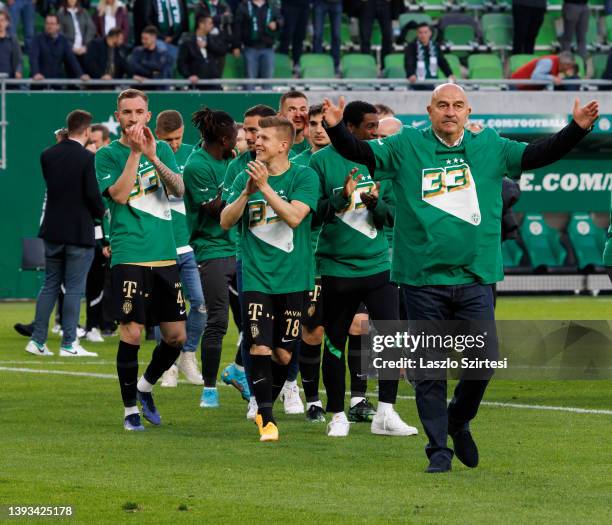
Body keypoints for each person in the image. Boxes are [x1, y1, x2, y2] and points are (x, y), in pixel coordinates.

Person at [321, 86, 599, 471]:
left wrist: (577, 128)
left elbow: (537, 154)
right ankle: (438, 449)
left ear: (468, 111)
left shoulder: (490, 145)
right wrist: (336, 129)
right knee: (429, 367)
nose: (449, 112)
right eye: (442, 105)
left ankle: (458, 420)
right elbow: (363, 153)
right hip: (422, 277)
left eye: (456, 106)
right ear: (429, 110)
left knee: (483, 362)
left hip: (475, 275)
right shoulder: (406, 146)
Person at [309, 100, 416, 437]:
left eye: (378, 125)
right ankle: (338, 414)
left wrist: (378, 205)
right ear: (350, 128)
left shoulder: (383, 160)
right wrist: (341, 198)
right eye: (370, 127)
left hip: (378, 264)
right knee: (336, 341)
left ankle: (386, 412)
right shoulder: (320, 162)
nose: (375, 132)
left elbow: (397, 217)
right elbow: (310, 215)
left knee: (391, 335)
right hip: (337, 266)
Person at [220, 116, 319, 442]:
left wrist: (264, 188)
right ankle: (266, 414)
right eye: (254, 136)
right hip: (257, 278)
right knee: (259, 345)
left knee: (284, 354)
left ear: (283, 145)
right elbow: (224, 221)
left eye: (263, 137)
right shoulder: (244, 175)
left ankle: (266, 402)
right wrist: (247, 193)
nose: (255, 141)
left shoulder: (304, 176)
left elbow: (293, 217)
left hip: (294, 279)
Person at [95, 88, 188, 431]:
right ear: (117, 116)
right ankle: (129, 409)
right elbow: (119, 195)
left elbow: (179, 189)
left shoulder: (162, 148)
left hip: (165, 256)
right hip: (129, 253)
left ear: (148, 115)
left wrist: (152, 155)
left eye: (139, 112)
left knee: (177, 336)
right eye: (126, 112)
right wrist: (135, 154)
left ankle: (145, 386)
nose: (133, 117)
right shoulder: (105, 155)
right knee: (132, 333)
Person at [26, 109, 105, 357]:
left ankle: (37, 341)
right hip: (78, 232)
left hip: (52, 231)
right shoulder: (86, 158)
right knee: (74, 288)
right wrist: (102, 213)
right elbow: (92, 195)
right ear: (87, 131)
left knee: (50, 285)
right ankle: (69, 343)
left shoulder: (47, 155)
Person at [221, 103, 277, 419]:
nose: (250, 136)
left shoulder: (296, 167)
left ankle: (289, 387)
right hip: (250, 259)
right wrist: (246, 192)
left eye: (256, 130)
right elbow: (225, 219)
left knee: (291, 338)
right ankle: (258, 396)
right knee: (253, 331)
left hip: (292, 261)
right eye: (247, 129)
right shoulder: (237, 167)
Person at [183, 108, 239, 408]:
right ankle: (209, 389)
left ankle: (242, 373)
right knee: (218, 320)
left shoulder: (234, 159)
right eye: (235, 136)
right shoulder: (197, 166)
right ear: (224, 139)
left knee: (253, 321)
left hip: (241, 248)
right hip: (212, 249)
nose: (240, 140)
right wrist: (244, 188)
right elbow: (217, 210)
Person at [152, 110, 208, 388]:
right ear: (157, 134)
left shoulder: (191, 155)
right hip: (159, 246)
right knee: (162, 311)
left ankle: (187, 354)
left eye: (178, 138)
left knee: (200, 303)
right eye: (168, 139)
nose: (174, 145)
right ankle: (167, 365)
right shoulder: (149, 154)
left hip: (187, 246)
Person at [291, 103, 330, 423]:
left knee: (357, 327)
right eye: (312, 123)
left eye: (324, 123)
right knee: (312, 332)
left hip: (352, 260)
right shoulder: (296, 167)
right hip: (313, 260)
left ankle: (359, 397)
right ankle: (312, 398)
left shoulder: (351, 162)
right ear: (303, 130)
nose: (319, 129)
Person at [30, 14, 90, 82]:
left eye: (52, 24)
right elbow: (33, 59)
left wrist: (81, 74)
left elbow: (71, 59)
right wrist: (36, 73)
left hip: (57, 82)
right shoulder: (37, 39)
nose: (49, 26)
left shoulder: (63, 40)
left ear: (58, 26)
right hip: (40, 82)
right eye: (47, 23)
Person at [232, 0, 281, 84]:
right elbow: (237, 27)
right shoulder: (244, 6)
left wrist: (277, 24)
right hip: (250, 48)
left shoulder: (272, 5)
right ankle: (250, 97)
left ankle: (267, 97)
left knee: (268, 81)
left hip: (268, 48)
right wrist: (236, 45)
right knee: (250, 81)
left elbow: (281, 19)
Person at [177, 14, 227, 87]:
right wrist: (189, 75)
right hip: (196, 83)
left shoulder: (213, 39)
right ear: (201, 25)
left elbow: (222, 51)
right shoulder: (188, 42)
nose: (212, 25)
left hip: (214, 82)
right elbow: (181, 63)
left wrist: (208, 45)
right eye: (210, 23)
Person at [405, 23, 455, 89]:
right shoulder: (411, 46)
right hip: (416, 82)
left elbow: (442, 61)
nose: (423, 35)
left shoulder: (435, 46)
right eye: (420, 33)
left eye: (425, 32)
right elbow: (409, 61)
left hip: (432, 82)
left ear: (430, 33)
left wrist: (449, 74)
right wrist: (410, 74)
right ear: (417, 34)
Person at [510, 52, 579, 90]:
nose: (570, 69)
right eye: (570, 66)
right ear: (565, 65)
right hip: (515, 87)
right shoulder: (548, 62)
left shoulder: (558, 68)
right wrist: (552, 78)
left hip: (526, 89)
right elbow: (535, 76)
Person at [278, 0, 309, 71]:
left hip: (304, 5)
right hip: (289, 5)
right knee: (286, 35)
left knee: (300, 36)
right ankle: (282, 63)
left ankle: (297, 63)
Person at [312, 0, 342, 73]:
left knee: (337, 35)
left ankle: (335, 65)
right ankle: (318, 63)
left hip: (336, 3)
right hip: (320, 3)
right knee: (318, 35)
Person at [279, 90, 309, 158]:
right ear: (280, 116)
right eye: (291, 110)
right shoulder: (272, 147)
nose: (298, 115)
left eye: (302, 109)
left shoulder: (318, 144)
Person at [0, 10, 23, 79]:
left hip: (9, 83)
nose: (0, 23)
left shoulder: (13, 40)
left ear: (7, 23)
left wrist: (18, 71)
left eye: (2, 20)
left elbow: (19, 60)